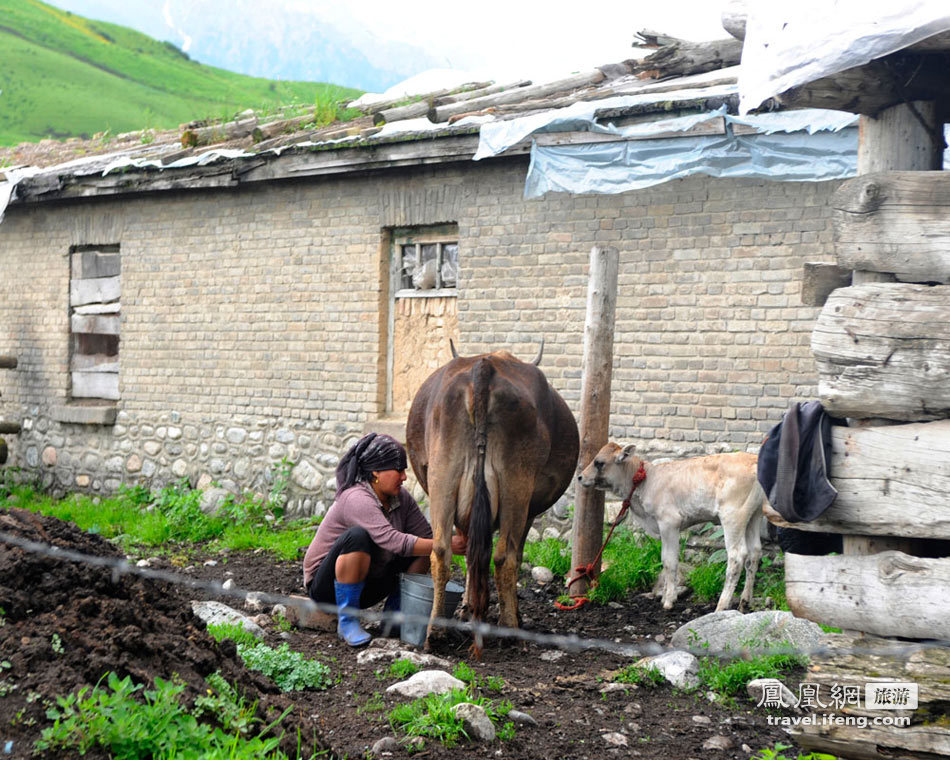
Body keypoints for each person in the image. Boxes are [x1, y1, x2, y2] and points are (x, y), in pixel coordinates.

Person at [303, 432, 467, 646]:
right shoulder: (356, 498)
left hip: (369, 582)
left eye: (404, 470)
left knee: (426, 549)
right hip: (327, 588)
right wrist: (446, 545)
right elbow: (394, 541)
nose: (404, 477)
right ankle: (347, 622)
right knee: (358, 537)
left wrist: (453, 537)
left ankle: (394, 618)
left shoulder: (401, 498)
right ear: (376, 472)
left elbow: (426, 536)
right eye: (398, 470)